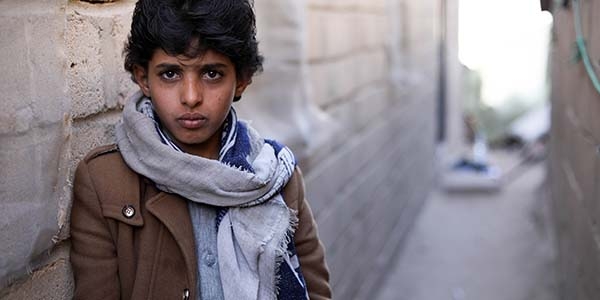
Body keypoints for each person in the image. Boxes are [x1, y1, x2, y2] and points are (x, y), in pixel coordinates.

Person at [69, 0, 331, 299]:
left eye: (212, 74)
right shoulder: (104, 182)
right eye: (170, 74)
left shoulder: (274, 177)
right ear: (143, 78)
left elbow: (315, 289)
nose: (191, 97)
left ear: (242, 80)